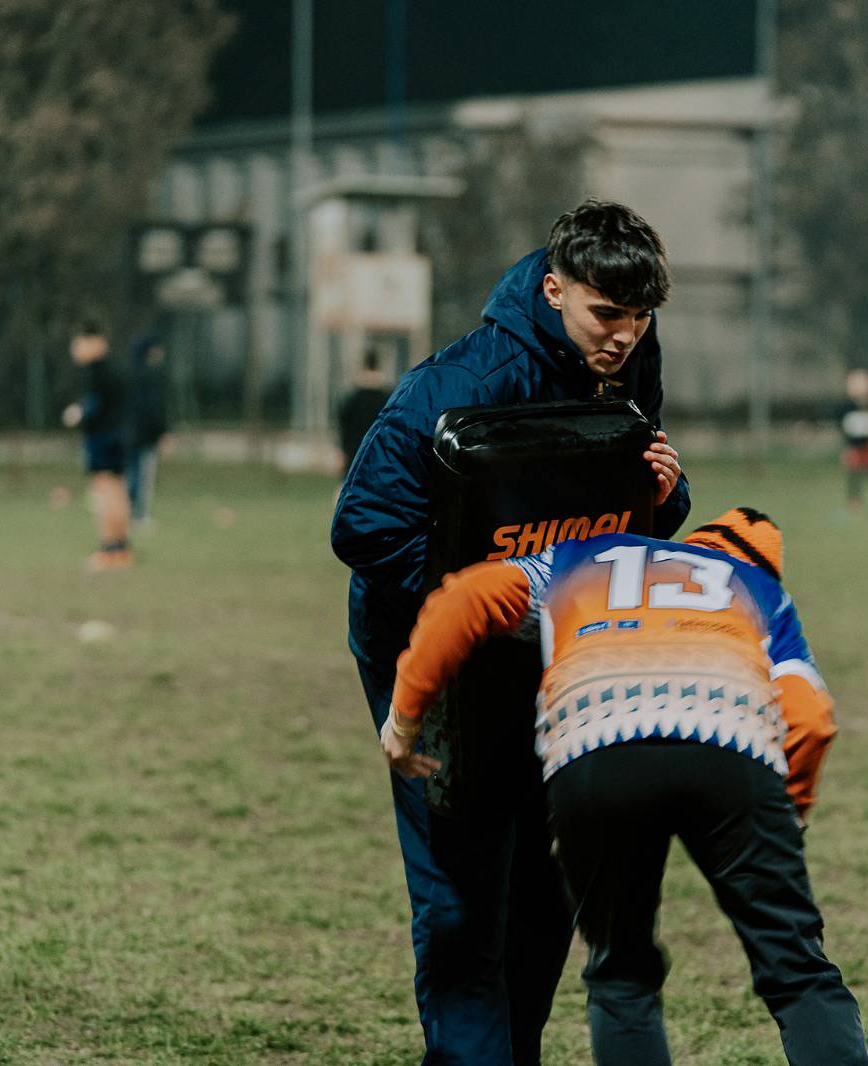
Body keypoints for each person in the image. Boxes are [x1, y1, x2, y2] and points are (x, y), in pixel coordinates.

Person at [330, 199, 690, 1065]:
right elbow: (363, 525)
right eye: (608, 314)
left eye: (641, 318)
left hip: (551, 649)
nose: (625, 336)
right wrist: (488, 606)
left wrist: (666, 493)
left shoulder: (626, 359)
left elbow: (624, 508)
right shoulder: (457, 385)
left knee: (548, 872)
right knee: (462, 884)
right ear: (554, 289)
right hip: (432, 651)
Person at [380, 507, 868, 1066]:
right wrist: (790, 816)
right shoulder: (759, 589)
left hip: (593, 744)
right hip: (730, 745)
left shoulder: (583, 556)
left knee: (621, 975)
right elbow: (809, 719)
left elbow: (467, 596)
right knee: (799, 972)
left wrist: (405, 717)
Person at [61, 322, 132, 571]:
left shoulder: (98, 371)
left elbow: (95, 404)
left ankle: (109, 549)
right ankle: (121, 549)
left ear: (95, 342)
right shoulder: (114, 368)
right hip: (118, 436)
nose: (75, 349)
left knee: (104, 491)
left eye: (79, 343)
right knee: (117, 490)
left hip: (103, 438)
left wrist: (78, 413)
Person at [126, 331, 169, 530]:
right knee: (143, 476)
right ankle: (138, 516)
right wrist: (162, 432)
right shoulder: (152, 375)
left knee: (131, 474)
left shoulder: (129, 374)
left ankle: (127, 513)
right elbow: (155, 408)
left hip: (128, 433)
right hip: (145, 435)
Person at [835, 368, 868, 517]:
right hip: (854, 446)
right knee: (854, 476)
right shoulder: (845, 406)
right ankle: (854, 504)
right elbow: (843, 427)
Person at [336, 347, 394, 476]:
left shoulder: (353, 398)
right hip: (379, 450)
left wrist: (342, 451)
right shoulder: (387, 398)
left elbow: (344, 425)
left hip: (355, 450)